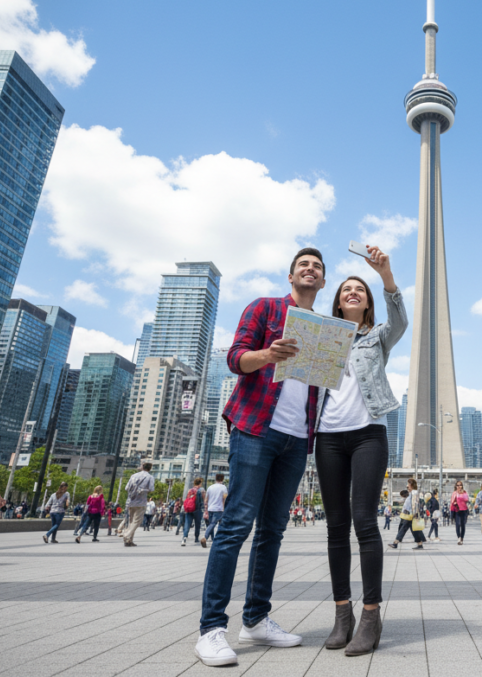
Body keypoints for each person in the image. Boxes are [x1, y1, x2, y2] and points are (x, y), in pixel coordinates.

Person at [195, 248, 328, 667]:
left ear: (323, 283)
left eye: (318, 268)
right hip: (255, 429)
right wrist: (268, 355)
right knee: (235, 525)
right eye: (304, 265)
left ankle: (255, 619)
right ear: (291, 276)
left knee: (273, 530)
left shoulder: (325, 330)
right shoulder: (265, 308)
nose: (311, 270)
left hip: (295, 439)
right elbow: (236, 358)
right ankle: (212, 629)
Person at [314, 247, 406, 657]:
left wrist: (384, 275)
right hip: (328, 436)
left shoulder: (378, 337)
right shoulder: (321, 335)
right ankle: (342, 614)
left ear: (367, 300)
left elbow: (401, 319)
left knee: (364, 522)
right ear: (337, 300)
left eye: (359, 289)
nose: (353, 292)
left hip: (369, 433)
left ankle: (370, 616)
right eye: (346, 289)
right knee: (336, 527)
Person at [387, 479, 425, 551]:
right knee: (414, 530)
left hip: (411, 515)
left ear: (411, 485)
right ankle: (419, 544)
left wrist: (413, 514)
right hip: (409, 515)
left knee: (403, 528)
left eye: (408, 484)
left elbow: (415, 504)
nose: (407, 486)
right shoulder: (411, 493)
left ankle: (396, 542)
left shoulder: (414, 492)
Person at [123, 463, 155, 547]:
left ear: (142, 467)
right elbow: (151, 489)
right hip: (141, 502)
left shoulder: (133, 475)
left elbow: (126, 488)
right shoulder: (150, 477)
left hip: (131, 501)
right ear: (150, 468)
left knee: (131, 521)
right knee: (137, 521)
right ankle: (126, 534)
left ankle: (129, 541)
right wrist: (143, 489)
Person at [202, 474, 227, 547]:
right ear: (222, 479)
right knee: (215, 524)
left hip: (210, 508)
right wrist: (224, 508)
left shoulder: (210, 487)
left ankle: (214, 540)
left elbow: (206, 500)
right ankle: (205, 537)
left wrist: (206, 509)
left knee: (211, 524)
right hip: (219, 509)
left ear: (215, 479)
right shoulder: (223, 488)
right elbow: (224, 499)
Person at [182, 478, 206, 547]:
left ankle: (184, 538)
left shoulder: (190, 490)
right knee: (197, 524)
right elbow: (204, 500)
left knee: (187, 524)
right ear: (200, 483)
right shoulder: (201, 490)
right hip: (197, 509)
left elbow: (187, 499)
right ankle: (196, 538)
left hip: (189, 509)